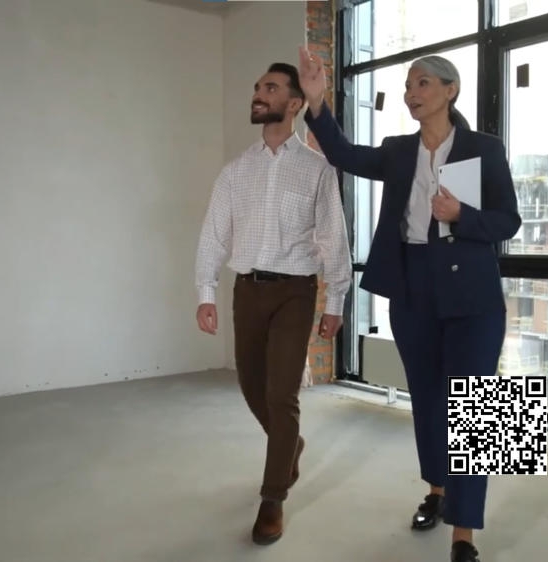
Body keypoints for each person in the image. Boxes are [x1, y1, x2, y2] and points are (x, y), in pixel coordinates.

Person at [295, 47, 522, 562]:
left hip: (474, 292)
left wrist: (462, 215)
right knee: (428, 397)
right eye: (407, 85)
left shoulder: (484, 148)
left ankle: (465, 532)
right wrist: (316, 101)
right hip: (412, 285)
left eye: (422, 83)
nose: (410, 94)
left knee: (480, 412)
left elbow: (509, 221)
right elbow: (343, 155)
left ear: (450, 90)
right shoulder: (398, 150)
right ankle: (437, 491)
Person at [194, 62, 352, 546]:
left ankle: (273, 497)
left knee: (282, 395)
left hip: (294, 292)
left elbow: (333, 237)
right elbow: (213, 235)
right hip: (248, 290)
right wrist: (205, 291)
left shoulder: (317, 169)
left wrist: (336, 299)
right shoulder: (235, 172)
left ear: (295, 103)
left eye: (271, 88)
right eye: (257, 87)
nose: (258, 94)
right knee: (252, 386)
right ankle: (290, 444)